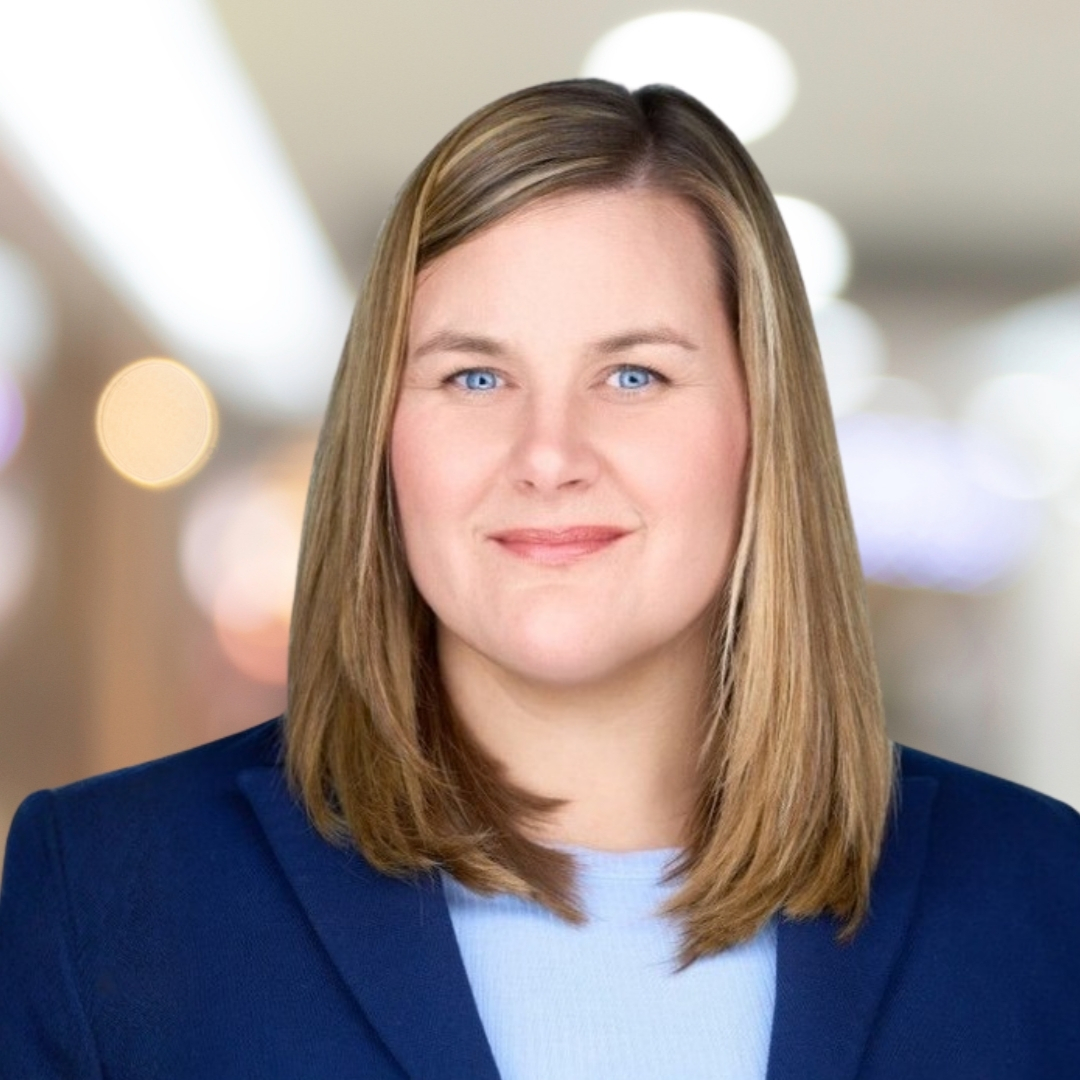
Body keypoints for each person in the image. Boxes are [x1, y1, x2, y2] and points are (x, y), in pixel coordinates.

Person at [1, 79, 1078, 1080]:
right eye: (475, 376)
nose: (549, 454)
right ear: (382, 440)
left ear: (763, 430)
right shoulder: (109, 892)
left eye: (633, 374)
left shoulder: (1039, 900)